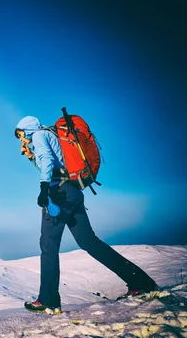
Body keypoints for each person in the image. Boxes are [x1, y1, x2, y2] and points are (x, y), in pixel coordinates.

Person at [14, 115, 158, 315]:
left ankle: (48, 300)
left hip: (59, 193)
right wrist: (30, 156)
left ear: (26, 129)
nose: (21, 139)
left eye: (20, 135)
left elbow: (47, 161)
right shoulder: (49, 135)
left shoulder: (38, 135)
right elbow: (52, 163)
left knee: (48, 246)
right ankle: (139, 281)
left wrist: (44, 188)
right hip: (73, 192)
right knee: (90, 242)